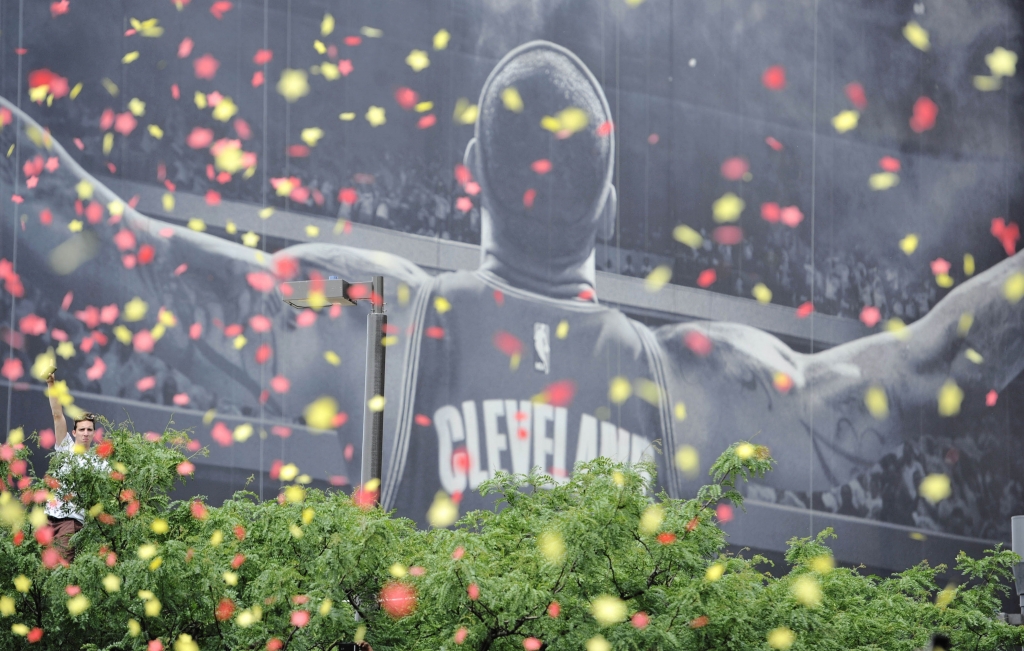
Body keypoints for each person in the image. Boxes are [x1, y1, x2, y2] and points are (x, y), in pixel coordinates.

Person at [0, 40, 1022, 527]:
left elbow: (112, 247)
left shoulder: (379, 325)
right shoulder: (691, 385)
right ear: (612, 213)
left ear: (472, 175)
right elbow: (932, 367)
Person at [43, 371, 106, 564]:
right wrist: (51, 383)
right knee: (41, 570)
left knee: (61, 570)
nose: (85, 433)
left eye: (89, 429)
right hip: (48, 516)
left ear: (94, 433)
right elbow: (57, 415)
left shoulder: (98, 462)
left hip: (71, 521)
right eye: (82, 429)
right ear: (74, 432)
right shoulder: (65, 447)